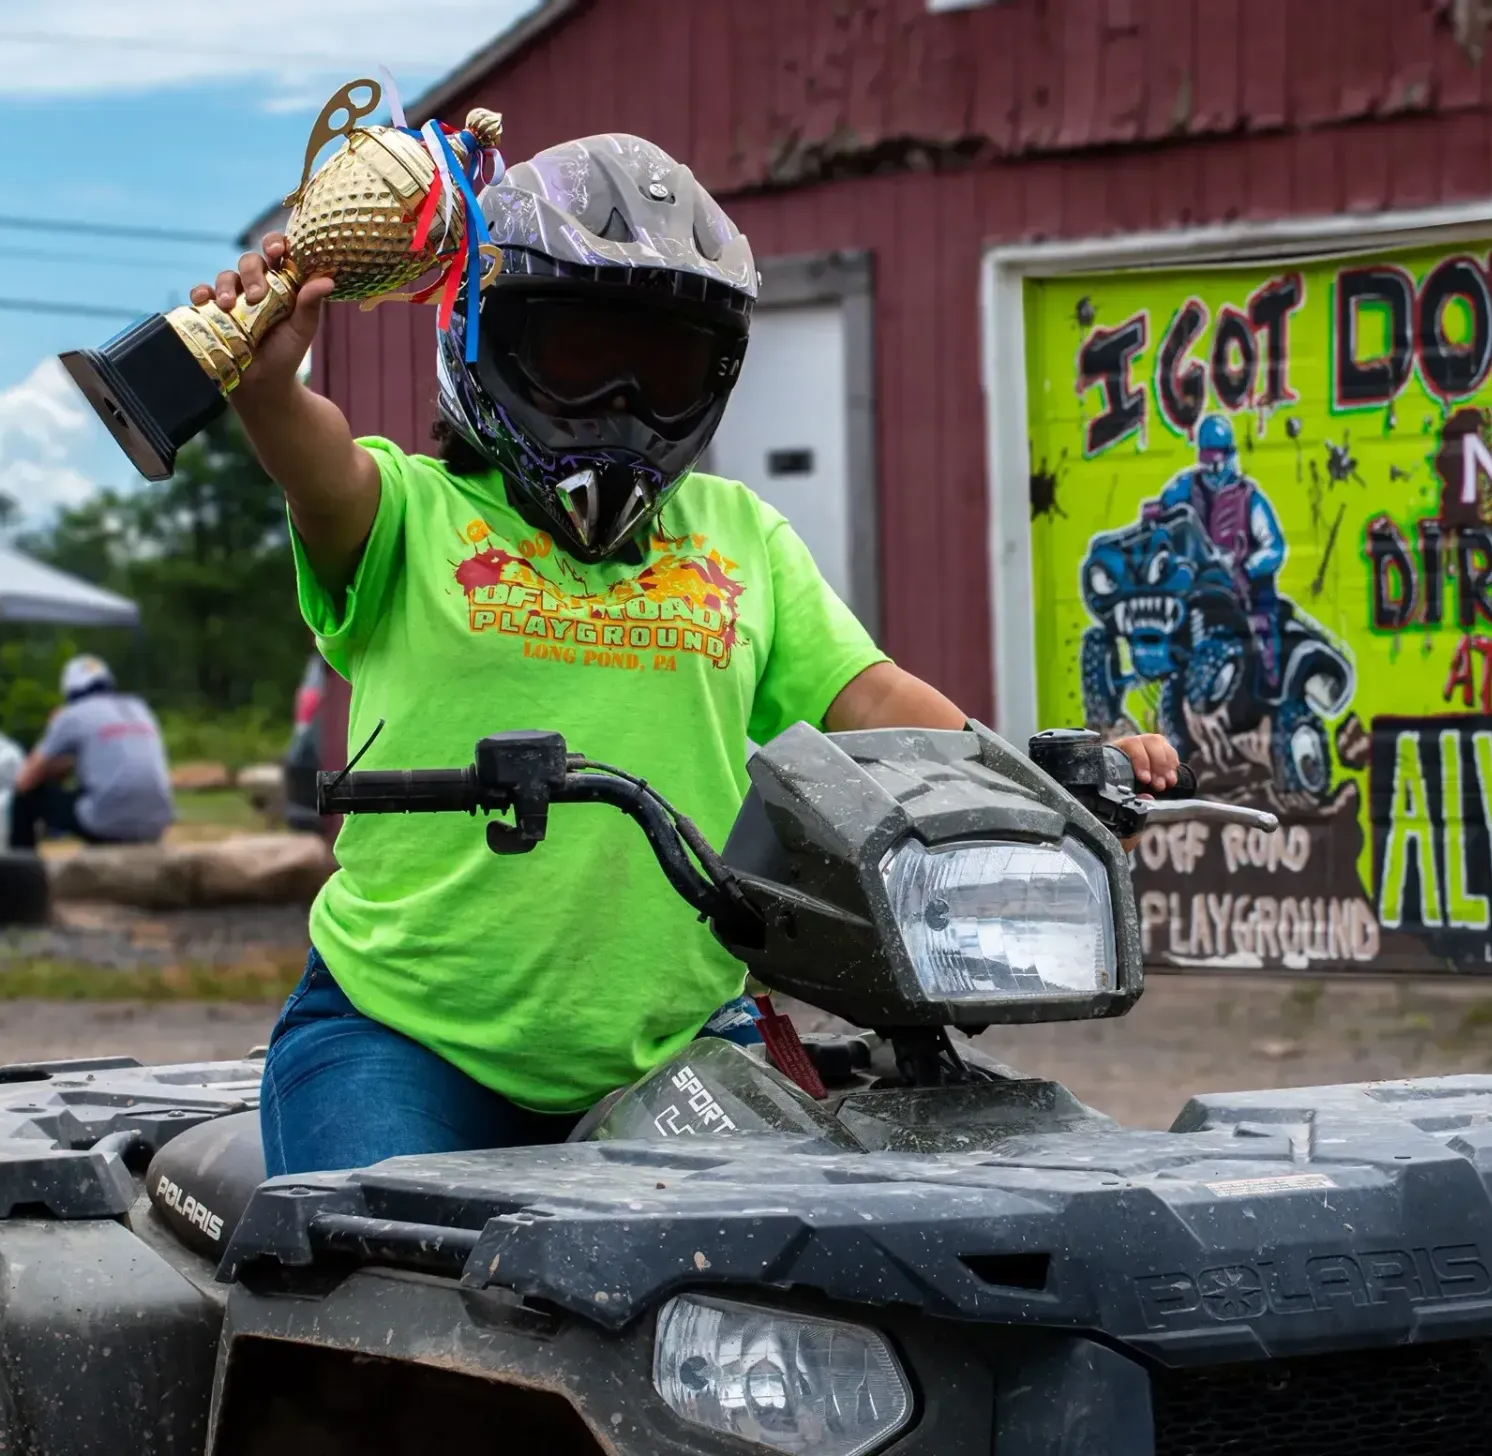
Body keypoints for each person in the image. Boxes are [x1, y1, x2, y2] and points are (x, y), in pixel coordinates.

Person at [197, 132, 1183, 1177]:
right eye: (583, 354)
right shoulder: (408, 514)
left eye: (663, 366)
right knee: (375, 1288)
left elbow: (871, 694)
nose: (623, 398)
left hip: (680, 1045)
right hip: (405, 1038)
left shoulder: (738, 536)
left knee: (818, 1279)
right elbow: (318, 464)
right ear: (489, 337)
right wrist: (265, 386)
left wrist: (1038, 790)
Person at [1142, 413, 1288, 691]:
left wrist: (1247, 567)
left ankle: (1269, 689)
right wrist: (1155, 516)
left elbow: (1274, 547)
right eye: (1208, 460)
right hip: (1199, 581)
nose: (1214, 470)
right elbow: (1164, 506)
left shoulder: (1249, 498)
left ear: (1231, 455)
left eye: (1219, 459)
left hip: (1243, 587)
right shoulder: (1188, 486)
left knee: (1263, 636)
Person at [9, 654, 174, 849]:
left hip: (107, 823)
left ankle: (22, 869)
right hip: (158, 822)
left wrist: (52, 732)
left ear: (69, 691)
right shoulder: (140, 707)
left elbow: (25, 779)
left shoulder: (72, 715)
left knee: (27, 797)